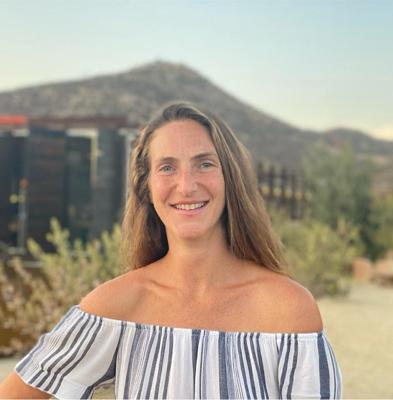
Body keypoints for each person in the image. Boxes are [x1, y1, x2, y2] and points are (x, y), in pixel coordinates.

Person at [0, 102, 342, 399]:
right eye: (167, 167)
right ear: (146, 188)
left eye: (204, 164)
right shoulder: (118, 305)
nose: (186, 185)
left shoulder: (287, 309)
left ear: (231, 179)